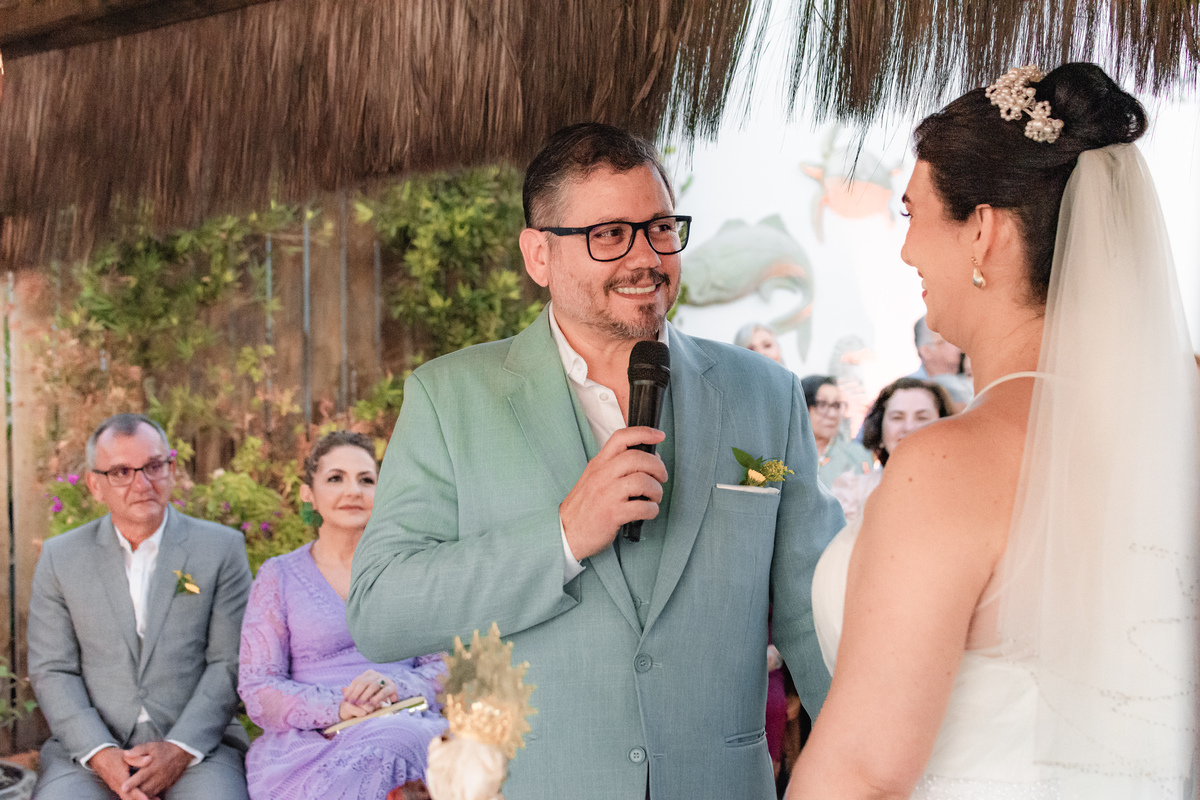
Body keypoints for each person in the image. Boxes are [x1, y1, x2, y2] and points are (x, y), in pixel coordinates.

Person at [347, 122, 844, 800]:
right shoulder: (449, 397)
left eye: (660, 228)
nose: (647, 257)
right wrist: (561, 537)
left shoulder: (765, 394)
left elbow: (813, 611)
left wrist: (873, 768)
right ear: (539, 255)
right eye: (609, 234)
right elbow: (380, 610)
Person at [792, 63, 1198, 799]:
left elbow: (859, 774)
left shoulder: (947, 465)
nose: (906, 250)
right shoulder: (1175, 436)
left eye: (912, 214)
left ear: (981, 231)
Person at [29, 413, 252, 800]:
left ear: (171, 470)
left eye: (153, 466)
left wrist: (180, 749)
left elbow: (229, 661)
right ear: (95, 485)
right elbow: (53, 669)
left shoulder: (221, 549)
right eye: (121, 472)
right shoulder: (61, 558)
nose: (142, 483)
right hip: (89, 751)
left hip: (199, 748)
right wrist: (101, 754)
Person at [238, 431, 446, 800]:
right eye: (336, 478)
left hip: (406, 723)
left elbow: (448, 669)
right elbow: (258, 689)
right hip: (311, 742)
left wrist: (394, 687)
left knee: (398, 742)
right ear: (308, 494)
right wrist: (338, 707)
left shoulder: (411, 570)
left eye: (366, 480)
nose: (353, 491)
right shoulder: (278, 576)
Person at [830, 378, 952, 523]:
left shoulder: (964, 490)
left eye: (922, 417)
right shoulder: (852, 494)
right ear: (879, 429)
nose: (909, 427)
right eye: (897, 417)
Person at [800, 374, 873, 488]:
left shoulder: (857, 457)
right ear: (802, 407)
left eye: (837, 405)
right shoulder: (784, 456)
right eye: (822, 404)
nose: (832, 414)